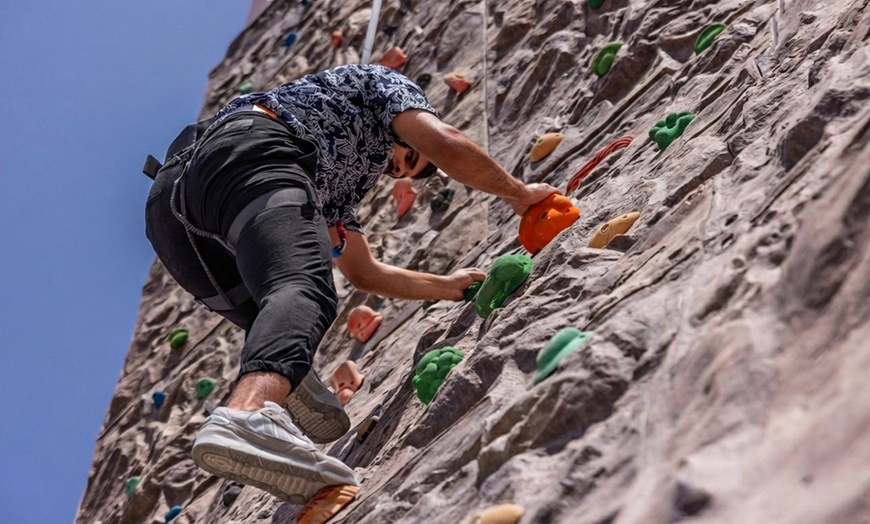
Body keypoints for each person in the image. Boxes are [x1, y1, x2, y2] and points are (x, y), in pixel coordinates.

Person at [144, 64, 559, 506]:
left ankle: (288, 377)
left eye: (404, 174)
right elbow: (445, 141)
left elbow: (364, 273)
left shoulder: (338, 190)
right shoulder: (381, 85)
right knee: (304, 285)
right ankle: (248, 414)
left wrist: (449, 286)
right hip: (253, 151)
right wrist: (518, 192)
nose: (399, 169)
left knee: (272, 310)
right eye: (412, 157)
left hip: (174, 214)